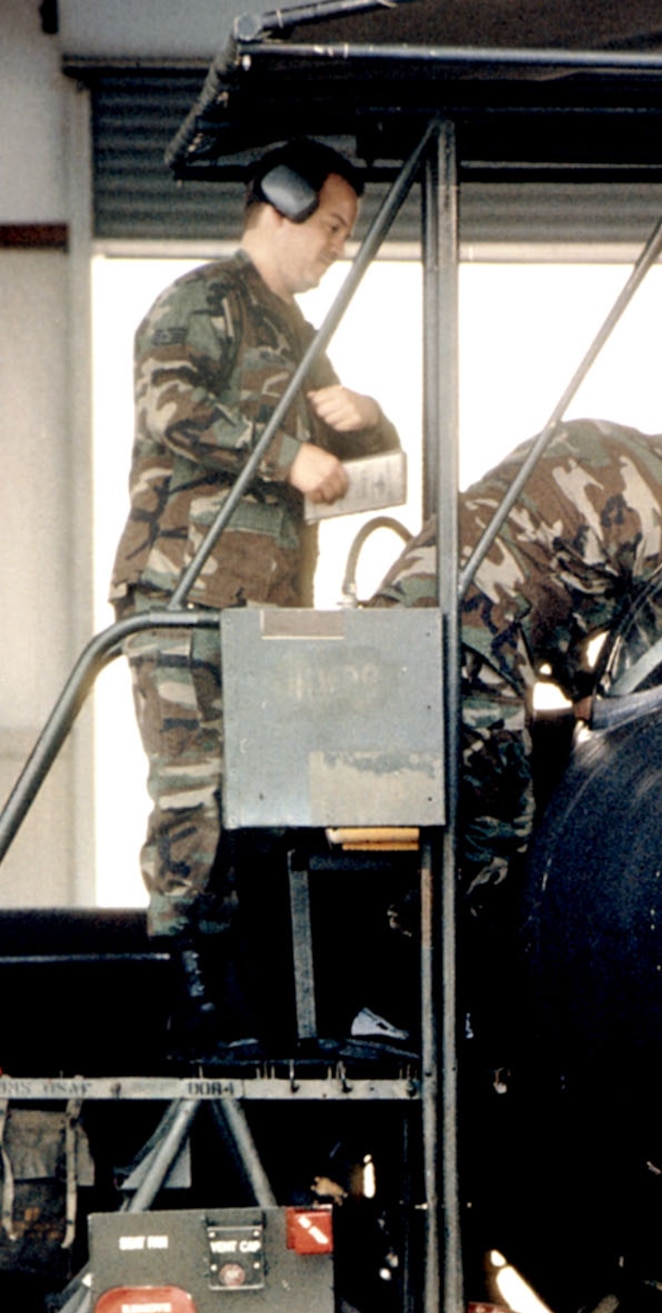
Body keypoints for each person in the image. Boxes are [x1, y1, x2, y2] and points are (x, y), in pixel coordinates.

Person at [108, 141, 399, 1040]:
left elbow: (361, 485)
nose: (339, 249)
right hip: (185, 598)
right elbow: (169, 406)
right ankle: (190, 996)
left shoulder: (300, 338)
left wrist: (367, 427)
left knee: (272, 809)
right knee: (196, 800)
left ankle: (262, 1004)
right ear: (279, 204)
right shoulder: (205, 301)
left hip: (270, 619)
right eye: (333, 227)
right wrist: (289, 453)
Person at [370, 382, 662, 921]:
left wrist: (578, 688)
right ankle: (409, 963)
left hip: (400, 623)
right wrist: (604, 700)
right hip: (471, 653)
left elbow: (551, 579)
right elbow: (650, 686)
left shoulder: (594, 437)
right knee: (499, 837)